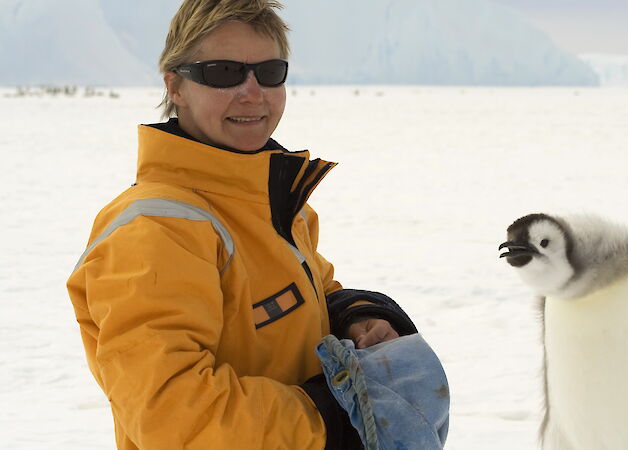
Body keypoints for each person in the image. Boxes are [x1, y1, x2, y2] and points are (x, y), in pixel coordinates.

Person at [66, 1, 417, 448]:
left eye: (270, 72)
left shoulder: (267, 201)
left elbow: (307, 297)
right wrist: (329, 423)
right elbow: (173, 415)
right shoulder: (156, 230)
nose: (253, 92)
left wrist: (357, 319)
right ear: (175, 85)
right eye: (223, 72)